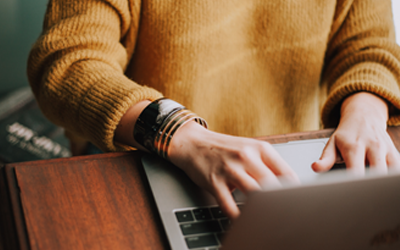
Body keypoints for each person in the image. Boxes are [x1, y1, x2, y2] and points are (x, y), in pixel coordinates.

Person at [27, 0, 400, 219]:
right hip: (146, 156)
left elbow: (369, 46)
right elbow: (68, 63)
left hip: (291, 167)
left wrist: (367, 110)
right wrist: (181, 134)